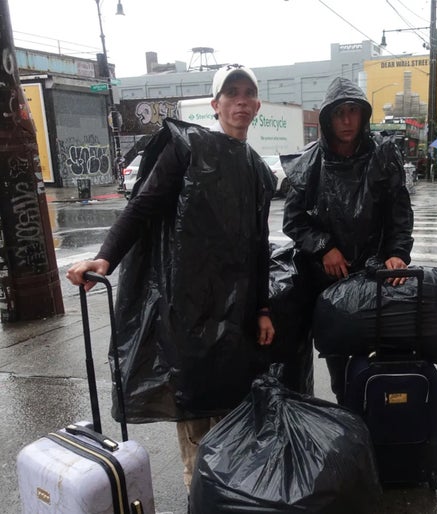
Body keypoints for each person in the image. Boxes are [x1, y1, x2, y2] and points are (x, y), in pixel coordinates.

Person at [66, 64, 276, 492]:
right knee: (198, 432)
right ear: (215, 105)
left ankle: (232, 501)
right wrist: (106, 259)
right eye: (230, 93)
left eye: (247, 93)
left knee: (235, 426)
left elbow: (258, 246)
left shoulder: (257, 170)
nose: (240, 100)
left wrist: (263, 309)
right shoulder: (187, 147)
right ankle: (203, 500)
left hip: (236, 320)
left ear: (256, 105)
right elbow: (143, 207)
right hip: (187, 315)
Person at [282, 76, 414, 402]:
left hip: (377, 276)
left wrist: (397, 253)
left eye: (352, 111)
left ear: (363, 115)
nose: (346, 120)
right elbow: (294, 220)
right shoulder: (311, 162)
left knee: (382, 365)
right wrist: (325, 247)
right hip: (330, 282)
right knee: (341, 371)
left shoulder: (383, 156)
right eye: (338, 112)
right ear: (327, 118)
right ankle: (352, 429)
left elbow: (400, 215)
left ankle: (384, 429)